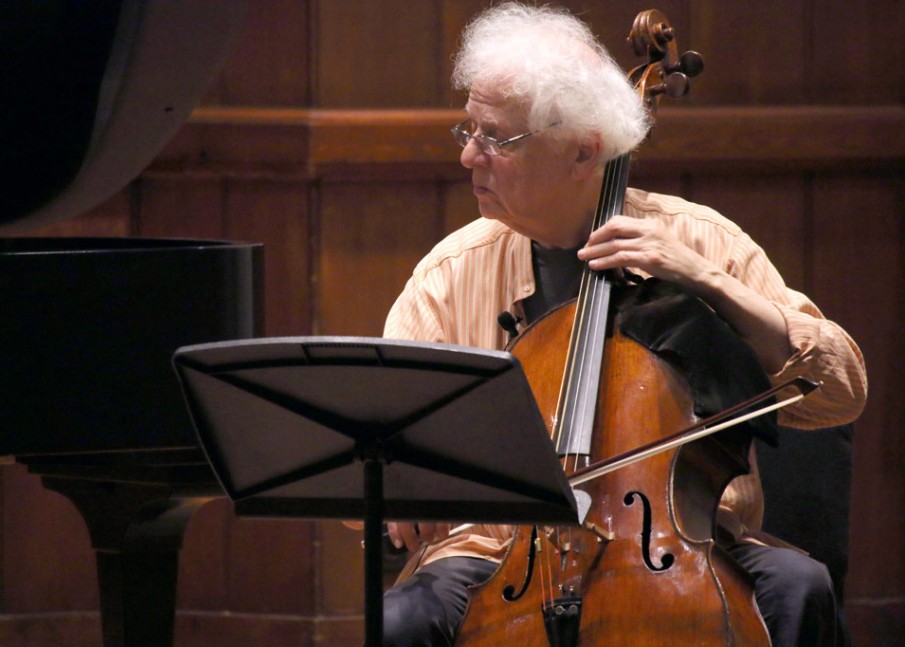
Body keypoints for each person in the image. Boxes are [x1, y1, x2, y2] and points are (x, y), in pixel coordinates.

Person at [372, 3, 868, 646]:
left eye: (497, 138)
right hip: (493, 556)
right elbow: (380, 435)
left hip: (683, 546)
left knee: (803, 589)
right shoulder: (452, 272)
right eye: (467, 130)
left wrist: (708, 282)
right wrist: (406, 487)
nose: (470, 156)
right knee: (397, 623)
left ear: (585, 150)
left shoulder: (702, 242)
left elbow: (840, 393)